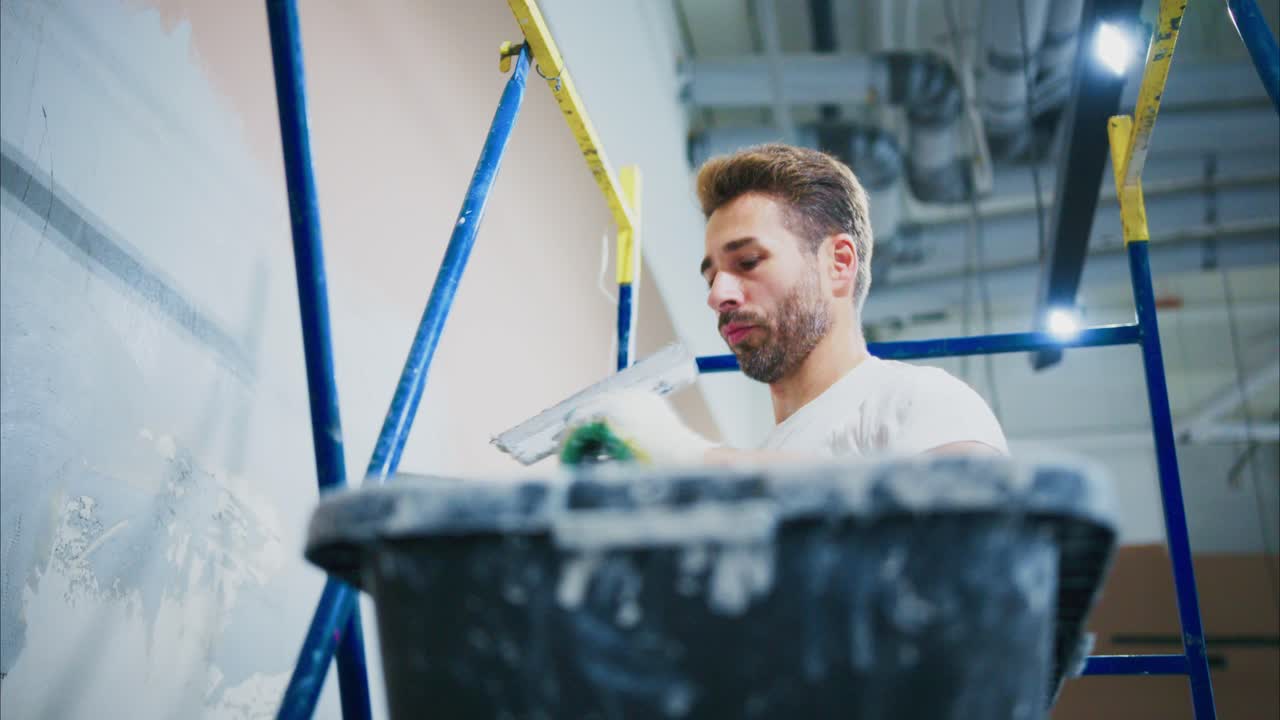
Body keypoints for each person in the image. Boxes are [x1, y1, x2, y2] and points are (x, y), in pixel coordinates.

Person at [565, 143, 1008, 464]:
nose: (718, 295)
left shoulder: (916, 400)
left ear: (838, 263)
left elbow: (966, 535)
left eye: (748, 261)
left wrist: (684, 453)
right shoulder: (756, 464)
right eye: (712, 276)